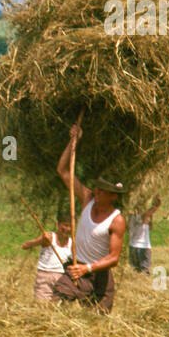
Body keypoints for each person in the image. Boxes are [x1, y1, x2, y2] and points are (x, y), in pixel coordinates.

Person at [52, 122, 128, 313]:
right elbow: (63, 171)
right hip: (76, 268)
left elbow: (114, 258)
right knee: (55, 305)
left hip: (99, 276)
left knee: (99, 324)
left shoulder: (116, 220)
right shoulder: (87, 199)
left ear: (113, 196)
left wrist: (88, 269)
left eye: (103, 190)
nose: (97, 191)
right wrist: (73, 141)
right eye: (97, 187)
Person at [23, 209, 73, 302]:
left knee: (58, 306)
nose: (67, 229)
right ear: (57, 224)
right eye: (65, 225)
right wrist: (41, 240)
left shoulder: (72, 243)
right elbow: (25, 245)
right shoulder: (49, 237)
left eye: (70, 226)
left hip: (62, 278)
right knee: (41, 305)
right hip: (45, 276)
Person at [127, 196, 162, 273]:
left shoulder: (130, 216)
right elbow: (153, 209)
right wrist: (157, 200)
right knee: (145, 271)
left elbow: (150, 226)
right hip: (143, 247)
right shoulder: (143, 215)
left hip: (132, 246)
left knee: (134, 271)